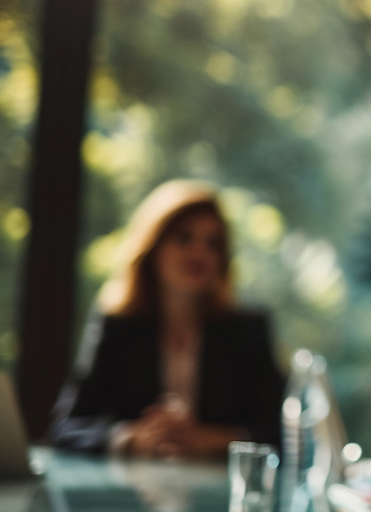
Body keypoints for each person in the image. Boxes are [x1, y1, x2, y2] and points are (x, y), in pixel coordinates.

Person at [49, 180, 284, 459]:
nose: (200, 253)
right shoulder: (117, 327)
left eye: (213, 244)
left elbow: (281, 432)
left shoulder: (248, 331)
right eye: (184, 238)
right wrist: (128, 439)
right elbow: (65, 426)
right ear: (152, 248)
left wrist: (215, 439)